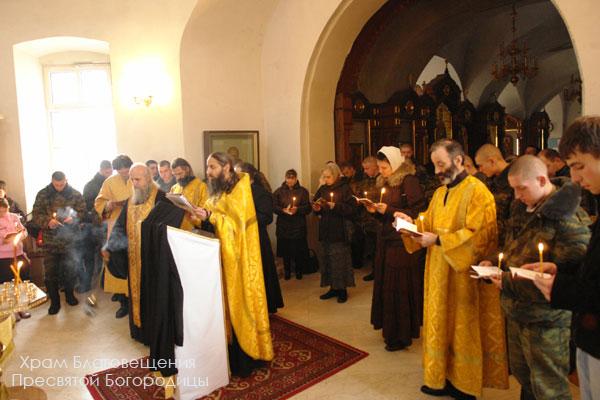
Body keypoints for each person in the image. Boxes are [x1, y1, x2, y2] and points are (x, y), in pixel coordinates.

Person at [397, 139, 508, 399]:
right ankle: (441, 377)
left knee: (462, 327)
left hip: (462, 276)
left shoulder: (478, 192)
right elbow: (429, 221)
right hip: (438, 272)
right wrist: (411, 223)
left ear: (458, 161)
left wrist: (437, 240)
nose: (436, 171)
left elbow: (479, 236)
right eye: (435, 165)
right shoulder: (439, 193)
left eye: (441, 165)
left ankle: (465, 384)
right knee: (439, 324)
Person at [481, 155, 591, 400]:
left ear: (542, 180)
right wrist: (493, 261)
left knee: (549, 387)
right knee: (525, 378)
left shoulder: (568, 216)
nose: (517, 195)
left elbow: (572, 274)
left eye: (522, 188)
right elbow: (511, 246)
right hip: (516, 310)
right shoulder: (521, 206)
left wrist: (509, 281)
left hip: (547, 319)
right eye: (514, 189)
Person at [523, 116, 600, 400]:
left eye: (579, 166)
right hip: (590, 338)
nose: (575, 178)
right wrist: (562, 269)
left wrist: (560, 288)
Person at [192, 152, 273, 377]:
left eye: (212, 167)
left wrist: (210, 216)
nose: (208, 172)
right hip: (220, 258)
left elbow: (236, 225)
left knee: (241, 303)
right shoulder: (217, 190)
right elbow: (212, 218)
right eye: (207, 167)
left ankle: (246, 359)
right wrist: (199, 216)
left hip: (240, 259)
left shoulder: (240, 189)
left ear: (226, 167)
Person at [367, 146, 426, 351]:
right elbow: (386, 213)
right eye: (380, 167)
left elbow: (418, 211)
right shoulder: (385, 181)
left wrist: (390, 210)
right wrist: (374, 211)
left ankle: (401, 334)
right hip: (386, 239)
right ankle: (390, 329)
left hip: (402, 242)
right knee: (387, 286)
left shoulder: (408, 181)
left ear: (394, 164)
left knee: (399, 288)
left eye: (384, 167)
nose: (381, 171)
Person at [102, 163, 168, 343]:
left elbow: (168, 229)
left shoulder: (161, 198)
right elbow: (120, 226)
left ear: (148, 178)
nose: (134, 183)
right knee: (136, 296)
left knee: (152, 298)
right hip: (133, 259)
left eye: (137, 179)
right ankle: (139, 332)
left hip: (153, 260)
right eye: (132, 179)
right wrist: (110, 246)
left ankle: (154, 336)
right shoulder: (132, 199)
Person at [32, 171, 87, 315]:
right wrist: (48, 221)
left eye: (62, 184)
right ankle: (54, 302)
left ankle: (69, 295)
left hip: (70, 239)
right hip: (50, 240)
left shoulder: (75, 194)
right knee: (50, 272)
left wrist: (74, 219)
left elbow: (83, 212)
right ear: (52, 181)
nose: (59, 187)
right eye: (56, 185)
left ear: (66, 180)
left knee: (70, 270)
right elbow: (36, 215)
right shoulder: (43, 194)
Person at [237, 162, 283, 313]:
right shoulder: (239, 191)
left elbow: (266, 217)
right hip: (243, 238)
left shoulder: (259, 192)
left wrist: (245, 219)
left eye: (237, 173)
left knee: (262, 272)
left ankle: (266, 305)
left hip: (257, 238)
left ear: (246, 175)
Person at [95, 154, 133, 318]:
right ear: (116, 169)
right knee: (117, 260)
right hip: (116, 226)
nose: (124, 171)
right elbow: (99, 203)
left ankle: (136, 300)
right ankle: (123, 303)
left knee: (133, 261)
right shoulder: (109, 182)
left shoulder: (138, 177)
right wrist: (110, 204)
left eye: (126, 167)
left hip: (134, 225)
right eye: (120, 168)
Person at [312, 163, 356, 303]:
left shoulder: (345, 188)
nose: (325, 179)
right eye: (324, 177)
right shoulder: (323, 188)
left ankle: (342, 290)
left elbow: (351, 208)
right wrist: (316, 208)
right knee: (327, 260)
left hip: (339, 229)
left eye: (328, 177)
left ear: (336, 175)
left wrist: (335, 206)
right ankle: (332, 288)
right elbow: (315, 203)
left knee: (339, 260)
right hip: (326, 229)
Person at [80, 160, 112, 292]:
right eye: (107, 172)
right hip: (94, 225)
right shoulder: (91, 186)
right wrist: (105, 207)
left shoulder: (110, 183)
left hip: (106, 224)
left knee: (105, 255)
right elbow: (88, 207)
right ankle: (88, 283)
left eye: (111, 172)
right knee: (90, 257)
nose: (109, 174)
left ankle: (106, 283)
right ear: (102, 170)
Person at [273, 169, 311, 280]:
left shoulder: (303, 191)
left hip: (298, 225)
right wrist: (282, 210)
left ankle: (299, 271)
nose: (289, 181)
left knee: (298, 250)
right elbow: (274, 206)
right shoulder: (278, 192)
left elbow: (308, 208)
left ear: (296, 178)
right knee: (286, 251)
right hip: (284, 225)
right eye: (287, 178)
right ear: (285, 178)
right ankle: (287, 271)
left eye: (292, 179)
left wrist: (297, 209)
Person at [475, 144, 513, 248]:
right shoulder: (488, 180)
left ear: (492, 161)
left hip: (507, 241)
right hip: (490, 240)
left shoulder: (514, 178)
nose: (480, 170)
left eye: (481, 165)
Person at [0, 198, 30, 320]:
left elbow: (24, 231)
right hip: (3, 257)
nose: (2, 214)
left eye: (4, 211)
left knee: (20, 282)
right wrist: (5, 240)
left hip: (18, 253)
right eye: (0, 212)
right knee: (8, 285)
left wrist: (21, 235)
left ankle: (21, 308)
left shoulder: (13, 217)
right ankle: (11, 312)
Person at [356, 156, 381, 281]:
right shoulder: (364, 181)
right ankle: (374, 271)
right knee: (372, 248)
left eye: (367, 168)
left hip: (379, 220)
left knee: (380, 249)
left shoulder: (382, 180)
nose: (365, 171)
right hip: (367, 220)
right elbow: (358, 195)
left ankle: (381, 272)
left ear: (376, 167)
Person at [169, 158, 208, 231]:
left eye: (180, 173)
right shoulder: (174, 188)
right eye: (175, 175)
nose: (178, 177)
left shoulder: (201, 186)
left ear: (187, 169)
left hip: (194, 229)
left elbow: (205, 211)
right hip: (177, 229)